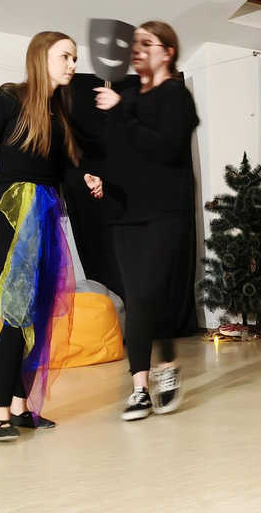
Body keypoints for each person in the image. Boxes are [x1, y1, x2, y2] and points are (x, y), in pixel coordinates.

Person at [0, 31, 103, 442]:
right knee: (16, 315)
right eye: (65, 56)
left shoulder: (59, 113)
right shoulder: (10, 97)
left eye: (75, 58)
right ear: (41, 57)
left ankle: (21, 408)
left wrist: (86, 176)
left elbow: (61, 169)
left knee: (35, 316)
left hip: (45, 215)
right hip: (10, 214)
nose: (72, 64)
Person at [94, 21, 199, 420]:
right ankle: (141, 386)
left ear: (167, 52)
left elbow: (166, 148)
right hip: (124, 212)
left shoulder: (176, 95)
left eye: (146, 43)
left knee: (147, 295)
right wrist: (98, 177)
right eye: (134, 43)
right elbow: (118, 153)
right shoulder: (122, 97)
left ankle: (164, 367)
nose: (136, 49)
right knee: (139, 296)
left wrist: (121, 112)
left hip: (165, 211)